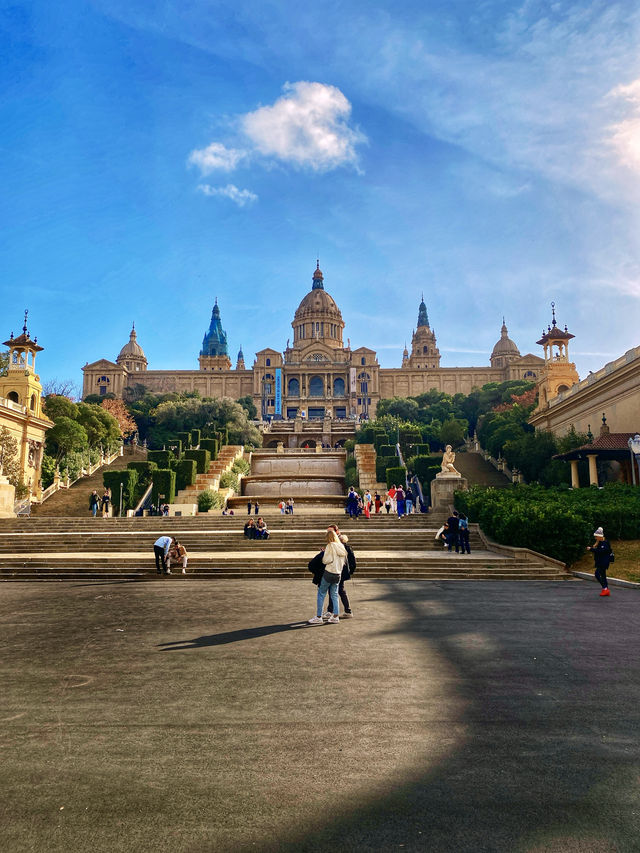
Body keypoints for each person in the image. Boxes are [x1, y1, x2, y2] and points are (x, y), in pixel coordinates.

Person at [308, 529, 346, 625]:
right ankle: (335, 616)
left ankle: (319, 616)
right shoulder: (341, 546)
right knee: (334, 594)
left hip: (329, 572)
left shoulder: (330, 546)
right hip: (338, 573)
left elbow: (326, 560)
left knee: (321, 593)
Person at [325, 527, 356, 619]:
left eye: (330, 531)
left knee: (337, 591)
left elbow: (351, 560)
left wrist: (350, 571)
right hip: (338, 571)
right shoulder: (334, 543)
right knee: (336, 591)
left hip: (339, 571)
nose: (328, 533)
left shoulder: (342, 544)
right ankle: (340, 610)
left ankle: (341, 611)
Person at [587, 527, 613, 597]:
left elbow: (601, 552)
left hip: (603, 562)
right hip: (600, 562)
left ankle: (605, 588)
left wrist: (591, 549)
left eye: (596, 536)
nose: (595, 538)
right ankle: (605, 589)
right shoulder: (600, 543)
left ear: (599, 536)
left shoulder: (605, 543)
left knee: (597, 574)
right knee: (603, 576)